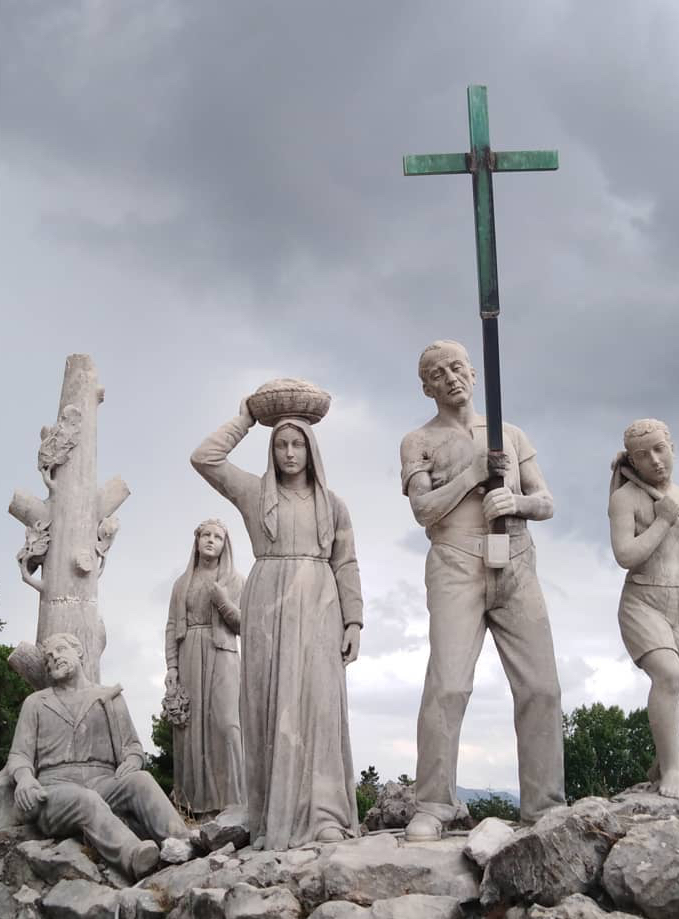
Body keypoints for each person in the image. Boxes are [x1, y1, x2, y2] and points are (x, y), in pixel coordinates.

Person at [400, 340, 565, 837]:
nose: (451, 377)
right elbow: (424, 511)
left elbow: (547, 502)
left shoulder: (509, 435)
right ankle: (434, 803)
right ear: (427, 386)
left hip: (515, 558)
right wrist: (473, 474)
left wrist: (515, 502)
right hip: (455, 559)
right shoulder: (417, 441)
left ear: (474, 372)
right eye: (438, 372)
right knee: (448, 684)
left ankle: (544, 805)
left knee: (540, 686)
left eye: (457, 367)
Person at [191, 399, 361, 849]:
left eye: (297, 444)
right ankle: (272, 817)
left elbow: (346, 564)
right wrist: (245, 418)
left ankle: (325, 813)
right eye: (281, 444)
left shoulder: (334, 505)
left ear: (311, 449)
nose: (289, 452)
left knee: (319, 706)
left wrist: (354, 622)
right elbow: (204, 458)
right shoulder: (255, 493)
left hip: (321, 603)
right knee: (269, 706)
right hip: (268, 602)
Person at [7, 632, 188, 878]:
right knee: (86, 800)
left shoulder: (109, 698)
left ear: (79, 652)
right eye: (48, 658)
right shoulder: (36, 703)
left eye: (60, 650)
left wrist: (133, 761)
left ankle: (183, 841)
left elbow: (132, 747)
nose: (54, 658)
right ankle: (135, 857)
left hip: (102, 782)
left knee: (141, 780)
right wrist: (25, 779)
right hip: (55, 791)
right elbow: (19, 754)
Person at [608, 418, 679, 797]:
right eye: (643, 455)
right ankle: (674, 769)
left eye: (660, 449)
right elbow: (625, 555)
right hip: (644, 599)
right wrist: (662, 521)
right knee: (669, 675)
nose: (654, 460)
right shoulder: (626, 500)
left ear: (672, 447)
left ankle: (664, 759)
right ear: (632, 463)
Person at [164, 518, 245, 815]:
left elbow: (243, 624)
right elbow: (172, 626)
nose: (211, 540)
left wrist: (223, 601)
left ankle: (236, 803)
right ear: (197, 541)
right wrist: (172, 667)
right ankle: (194, 807)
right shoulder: (181, 583)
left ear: (226, 545)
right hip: (188, 655)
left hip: (222, 653)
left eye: (218, 537)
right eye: (206, 535)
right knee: (190, 730)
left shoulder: (236, 580)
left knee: (227, 725)